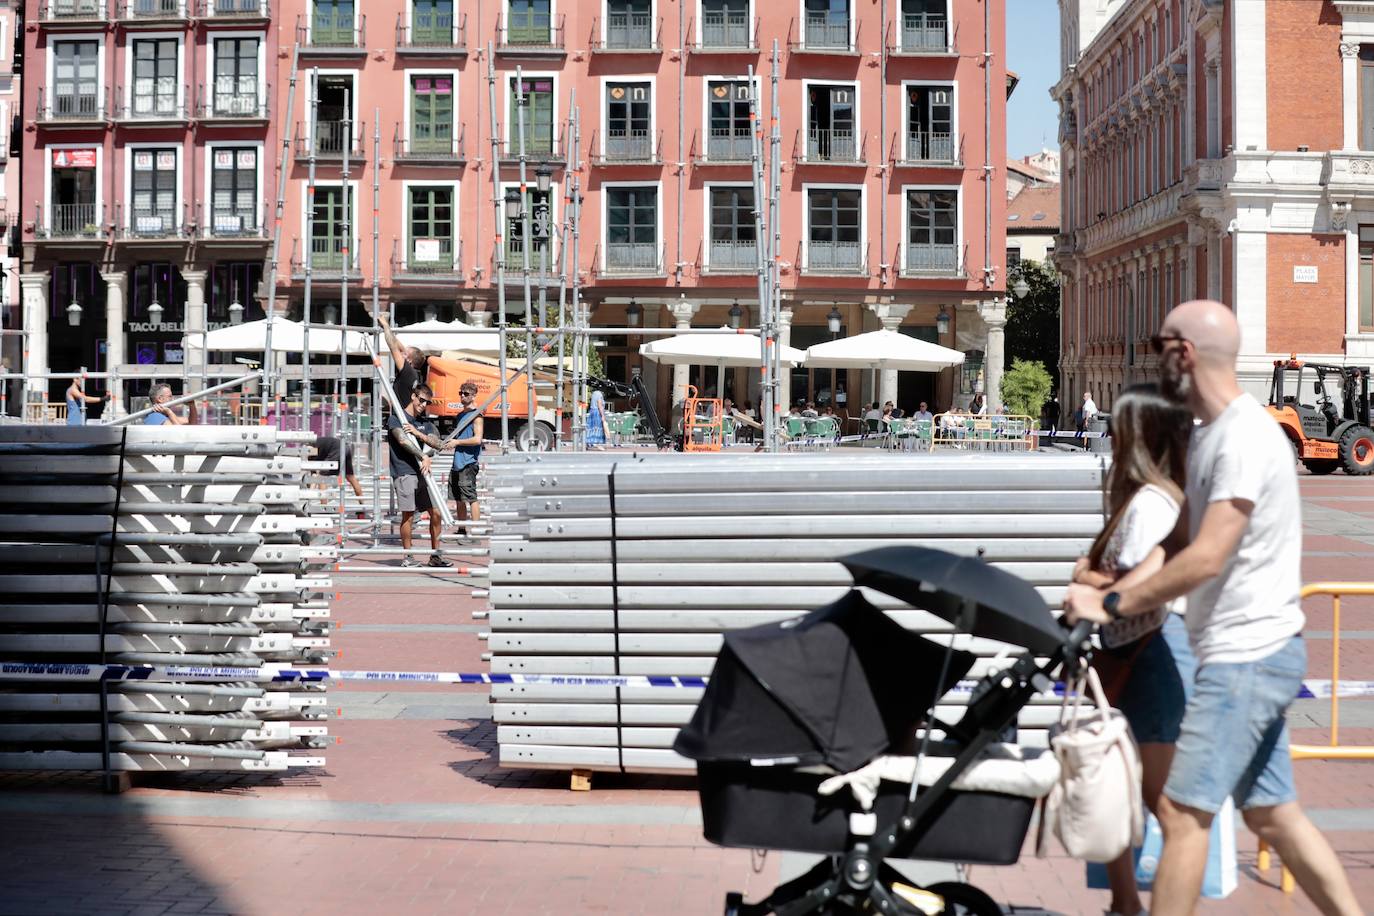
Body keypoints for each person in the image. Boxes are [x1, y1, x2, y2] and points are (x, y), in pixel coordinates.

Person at [1065, 301, 1362, 916]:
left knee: (1182, 813)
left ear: (1184, 353)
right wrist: (1104, 585)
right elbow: (1173, 545)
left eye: (1159, 345)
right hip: (1246, 654)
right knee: (1273, 815)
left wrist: (1112, 601)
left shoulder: (1246, 437)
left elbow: (1206, 557)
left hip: (1246, 655)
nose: (1153, 357)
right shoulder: (1209, 438)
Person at [1069, 385, 1196, 916]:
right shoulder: (1145, 499)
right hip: (1133, 654)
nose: (1109, 438)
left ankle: (1148, 905)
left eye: (1118, 428)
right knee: (1123, 790)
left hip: (1149, 653)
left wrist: (1092, 583)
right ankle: (1125, 905)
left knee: (1158, 801)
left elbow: (1144, 581)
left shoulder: (1152, 504)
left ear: (1140, 436)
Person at [386, 383, 452, 569]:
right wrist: (423, 455)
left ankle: (435, 556)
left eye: (427, 402)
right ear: (413, 396)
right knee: (408, 515)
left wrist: (420, 438)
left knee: (436, 513)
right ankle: (408, 557)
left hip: (423, 472)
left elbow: (438, 444)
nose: (423, 404)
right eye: (421, 400)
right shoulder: (396, 418)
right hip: (404, 471)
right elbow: (402, 440)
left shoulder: (424, 423)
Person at [447, 380, 483, 545]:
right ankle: (462, 530)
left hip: (468, 462)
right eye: (460, 393)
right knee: (458, 498)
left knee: (471, 497)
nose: (462, 396)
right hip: (457, 461)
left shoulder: (477, 415)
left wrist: (457, 443)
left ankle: (475, 534)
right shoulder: (461, 415)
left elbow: (477, 439)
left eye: (466, 394)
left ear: (474, 395)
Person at [378, 311, 428, 407]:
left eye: (405, 354)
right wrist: (387, 329)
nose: (402, 353)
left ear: (410, 361)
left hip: (401, 417)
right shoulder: (413, 373)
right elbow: (396, 344)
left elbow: (392, 346)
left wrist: (385, 325)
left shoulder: (408, 371)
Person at [313, 436, 364, 500]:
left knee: (321, 477)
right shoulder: (314, 443)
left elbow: (314, 477)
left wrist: (309, 493)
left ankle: (323, 506)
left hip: (337, 449)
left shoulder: (311, 452)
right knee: (350, 477)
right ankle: (362, 503)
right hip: (345, 447)